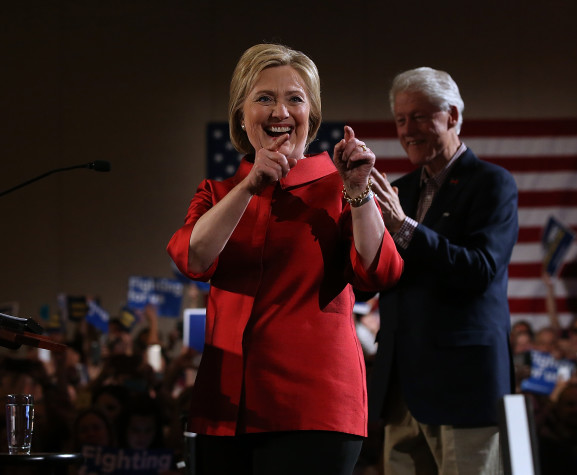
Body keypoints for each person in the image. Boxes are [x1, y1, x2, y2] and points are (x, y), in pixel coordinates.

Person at [167, 43, 403, 474]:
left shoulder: (338, 187)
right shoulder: (217, 194)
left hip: (313, 410)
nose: (280, 111)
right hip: (225, 409)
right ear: (241, 114)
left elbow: (378, 271)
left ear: (311, 116)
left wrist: (358, 188)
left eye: (295, 98)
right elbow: (193, 257)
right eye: (264, 98)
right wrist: (250, 185)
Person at [365, 67, 519, 474]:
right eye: (400, 119)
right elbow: (371, 280)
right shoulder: (398, 190)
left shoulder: (492, 185)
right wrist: (358, 211)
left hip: (464, 390)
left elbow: (480, 270)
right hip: (401, 391)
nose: (408, 130)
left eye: (419, 116)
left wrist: (404, 228)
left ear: (451, 116)